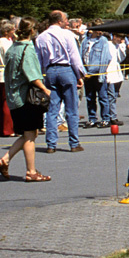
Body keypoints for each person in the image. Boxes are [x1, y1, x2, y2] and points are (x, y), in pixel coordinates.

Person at [1, 17, 52, 182]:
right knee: (30, 134)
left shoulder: (13, 48)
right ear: (32, 31)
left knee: (28, 133)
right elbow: (32, 75)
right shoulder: (27, 48)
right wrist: (45, 89)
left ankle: (6, 159)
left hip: (13, 96)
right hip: (26, 97)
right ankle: (31, 171)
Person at [35, 10, 85, 153]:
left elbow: (39, 59)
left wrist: (42, 74)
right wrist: (79, 75)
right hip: (66, 69)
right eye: (65, 19)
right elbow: (74, 57)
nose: (67, 22)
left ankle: (51, 144)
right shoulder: (67, 34)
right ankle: (74, 143)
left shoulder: (41, 37)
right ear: (59, 20)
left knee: (52, 109)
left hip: (50, 71)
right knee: (71, 108)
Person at [80, 23, 112, 128]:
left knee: (103, 97)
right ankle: (92, 118)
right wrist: (83, 72)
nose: (100, 31)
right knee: (90, 97)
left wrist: (101, 73)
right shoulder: (85, 41)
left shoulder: (103, 40)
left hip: (99, 73)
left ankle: (106, 118)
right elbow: (80, 57)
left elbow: (106, 58)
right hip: (88, 74)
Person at [0, 20, 15, 137]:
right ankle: (7, 129)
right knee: (6, 102)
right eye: (12, 30)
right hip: (4, 75)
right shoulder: (4, 42)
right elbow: (8, 57)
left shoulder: (7, 41)